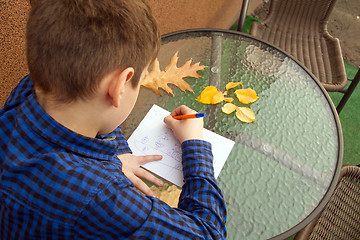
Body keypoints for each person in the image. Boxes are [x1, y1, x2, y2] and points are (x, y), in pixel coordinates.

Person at [0, 0, 227, 239]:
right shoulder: (101, 197)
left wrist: (113, 160)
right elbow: (208, 233)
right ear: (120, 85)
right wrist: (195, 145)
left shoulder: (29, 90)